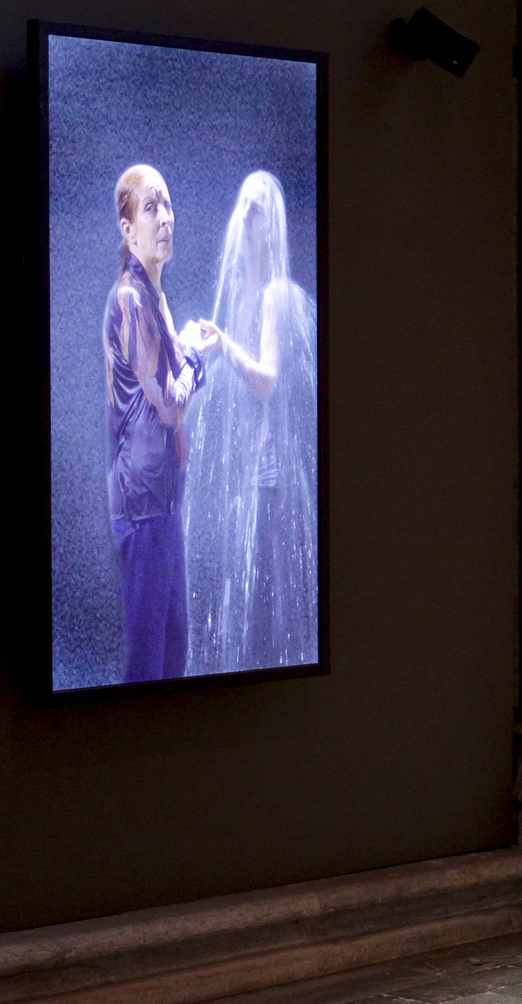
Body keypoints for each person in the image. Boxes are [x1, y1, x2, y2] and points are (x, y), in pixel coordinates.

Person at [182, 171, 319, 675]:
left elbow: (267, 380)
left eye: (257, 210)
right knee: (243, 606)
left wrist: (224, 347)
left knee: (263, 615)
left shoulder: (277, 294)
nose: (245, 218)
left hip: (272, 482)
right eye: (243, 207)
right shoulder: (244, 296)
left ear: (273, 228)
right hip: (251, 480)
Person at [102, 164, 207, 683]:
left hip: (160, 502)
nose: (165, 217)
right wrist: (197, 357)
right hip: (143, 506)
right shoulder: (132, 298)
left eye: (167, 204)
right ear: (128, 229)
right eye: (151, 207)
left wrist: (184, 343)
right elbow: (168, 404)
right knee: (149, 663)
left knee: (173, 648)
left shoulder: (154, 295)